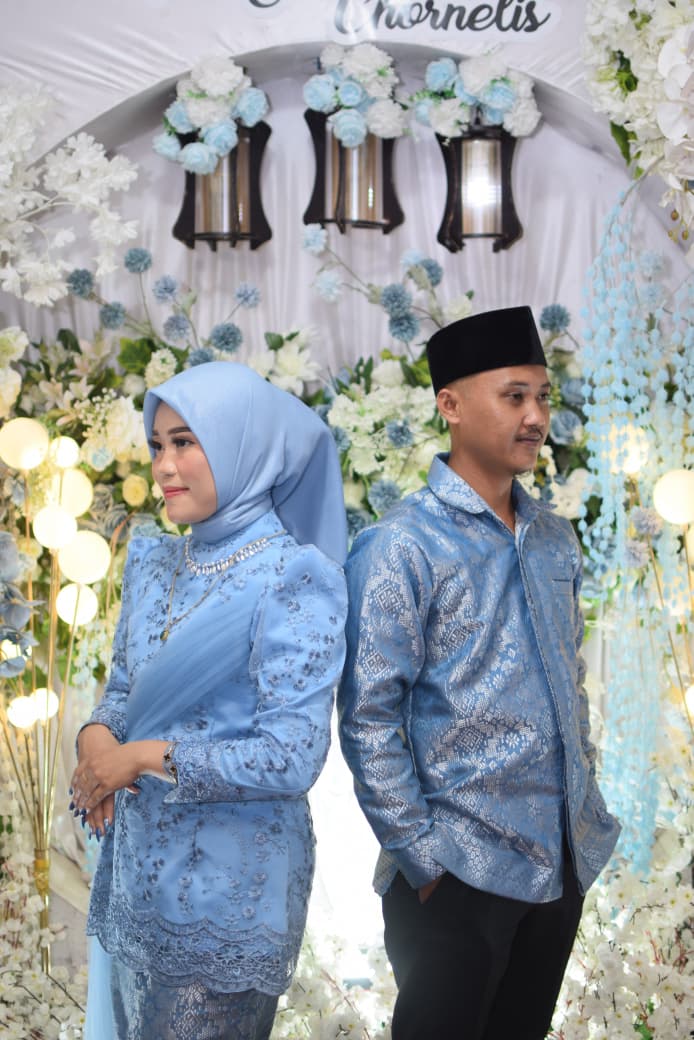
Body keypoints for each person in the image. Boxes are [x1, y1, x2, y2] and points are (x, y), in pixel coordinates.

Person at [337, 306, 621, 1040]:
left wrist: (582, 813)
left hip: (558, 861)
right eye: (514, 395)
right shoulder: (401, 545)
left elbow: (569, 682)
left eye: (543, 397)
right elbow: (368, 716)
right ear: (451, 405)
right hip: (456, 872)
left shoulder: (553, 537)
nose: (536, 417)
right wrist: (424, 859)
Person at [70, 360, 348, 1040]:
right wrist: (97, 741)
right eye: (157, 444)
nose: (164, 465)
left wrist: (141, 758)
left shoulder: (294, 577)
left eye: (186, 442)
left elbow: (292, 757)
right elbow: (124, 691)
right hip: (134, 882)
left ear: (241, 446)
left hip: (228, 903)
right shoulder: (154, 564)